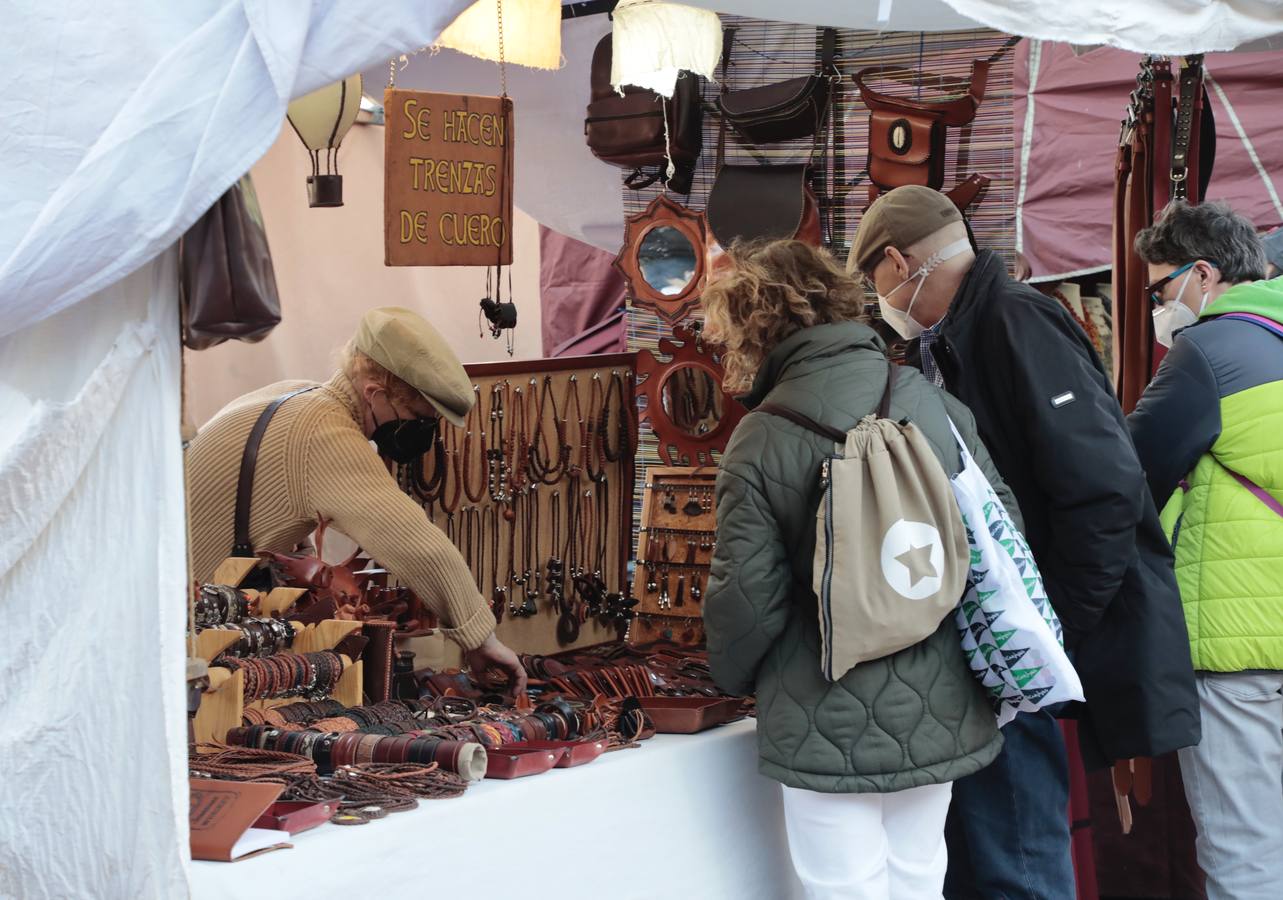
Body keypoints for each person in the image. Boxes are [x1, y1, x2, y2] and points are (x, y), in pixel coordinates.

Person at [847, 185, 1200, 900]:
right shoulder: (962, 330)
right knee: (998, 853)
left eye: (873, 280)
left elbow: (1102, 484)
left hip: (1030, 632)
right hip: (1011, 635)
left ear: (894, 263)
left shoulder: (1011, 320)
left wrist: (1051, 623)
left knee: (1016, 856)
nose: (878, 298)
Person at [702, 239, 1015, 900]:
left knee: (841, 885)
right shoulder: (925, 397)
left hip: (821, 703)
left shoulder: (761, 435)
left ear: (753, 329)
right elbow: (996, 527)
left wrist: (727, 675)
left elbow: (747, 597)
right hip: (940, 694)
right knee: (917, 873)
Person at [187, 306, 526, 691]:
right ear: (374, 393)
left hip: (185, 604)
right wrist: (481, 640)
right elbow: (416, 543)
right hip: (193, 632)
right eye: (420, 418)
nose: (423, 433)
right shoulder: (324, 433)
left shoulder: (294, 394)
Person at [1127, 201, 1283, 900]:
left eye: (1160, 289)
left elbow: (1130, 469)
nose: (1160, 309)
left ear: (1201, 274)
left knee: (1243, 848)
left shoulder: (1208, 351)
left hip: (1238, 646)